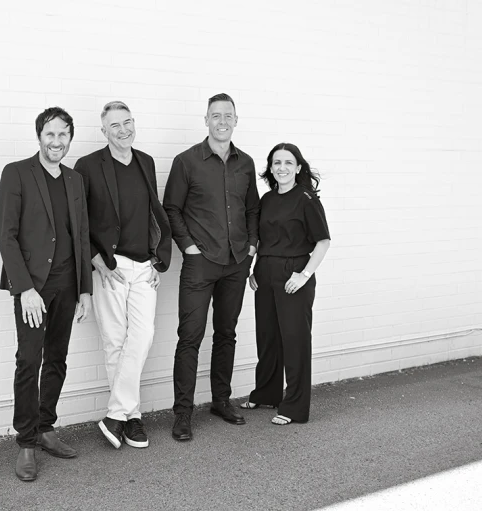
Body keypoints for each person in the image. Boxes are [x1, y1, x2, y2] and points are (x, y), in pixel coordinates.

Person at [0, 106, 93, 482]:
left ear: (70, 137)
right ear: (39, 136)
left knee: (57, 358)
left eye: (63, 134)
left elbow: (81, 235)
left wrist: (85, 290)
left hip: (67, 284)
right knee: (28, 360)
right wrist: (24, 289)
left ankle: (46, 427)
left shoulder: (75, 180)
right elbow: (7, 236)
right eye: (50, 134)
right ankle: (26, 442)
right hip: (33, 288)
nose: (57, 141)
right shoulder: (17, 173)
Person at [74, 101, 172, 450]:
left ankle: (115, 413)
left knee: (142, 336)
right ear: (104, 131)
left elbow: (153, 214)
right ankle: (133, 417)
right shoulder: (87, 166)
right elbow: (78, 220)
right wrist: (95, 259)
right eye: (115, 125)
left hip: (143, 266)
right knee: (115, 342)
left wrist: (157, 259)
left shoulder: (146, 161)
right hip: (110, 267)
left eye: (127, 122)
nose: (123, 130)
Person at [163, 93, 259, 441]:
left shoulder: (246, 163)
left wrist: (251, 246)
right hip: (200, 265)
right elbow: (170, 208)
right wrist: (189, 248)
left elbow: (252, 209)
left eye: (228, 115)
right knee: (190, 337)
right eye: (215, 115)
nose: (222, 121)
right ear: (206, 120)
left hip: (236, 263)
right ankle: (183, 413)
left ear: (236, 120)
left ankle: (221, 401)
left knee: (226, 333)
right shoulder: (186, 161)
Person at [241, 143, 330, 425]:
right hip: (265, 273)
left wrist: (304, 275)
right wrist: (255, 269)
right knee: (267, 337)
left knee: (295, 341)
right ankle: (267, 394)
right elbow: (263, 239)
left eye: (288, 162)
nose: (282, 168)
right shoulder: (267, 199)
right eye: (276, 162)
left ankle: (294, 407)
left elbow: (323, 241)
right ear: (270, 168)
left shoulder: (306, 199)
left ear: (298, 167)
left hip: (294, 275)